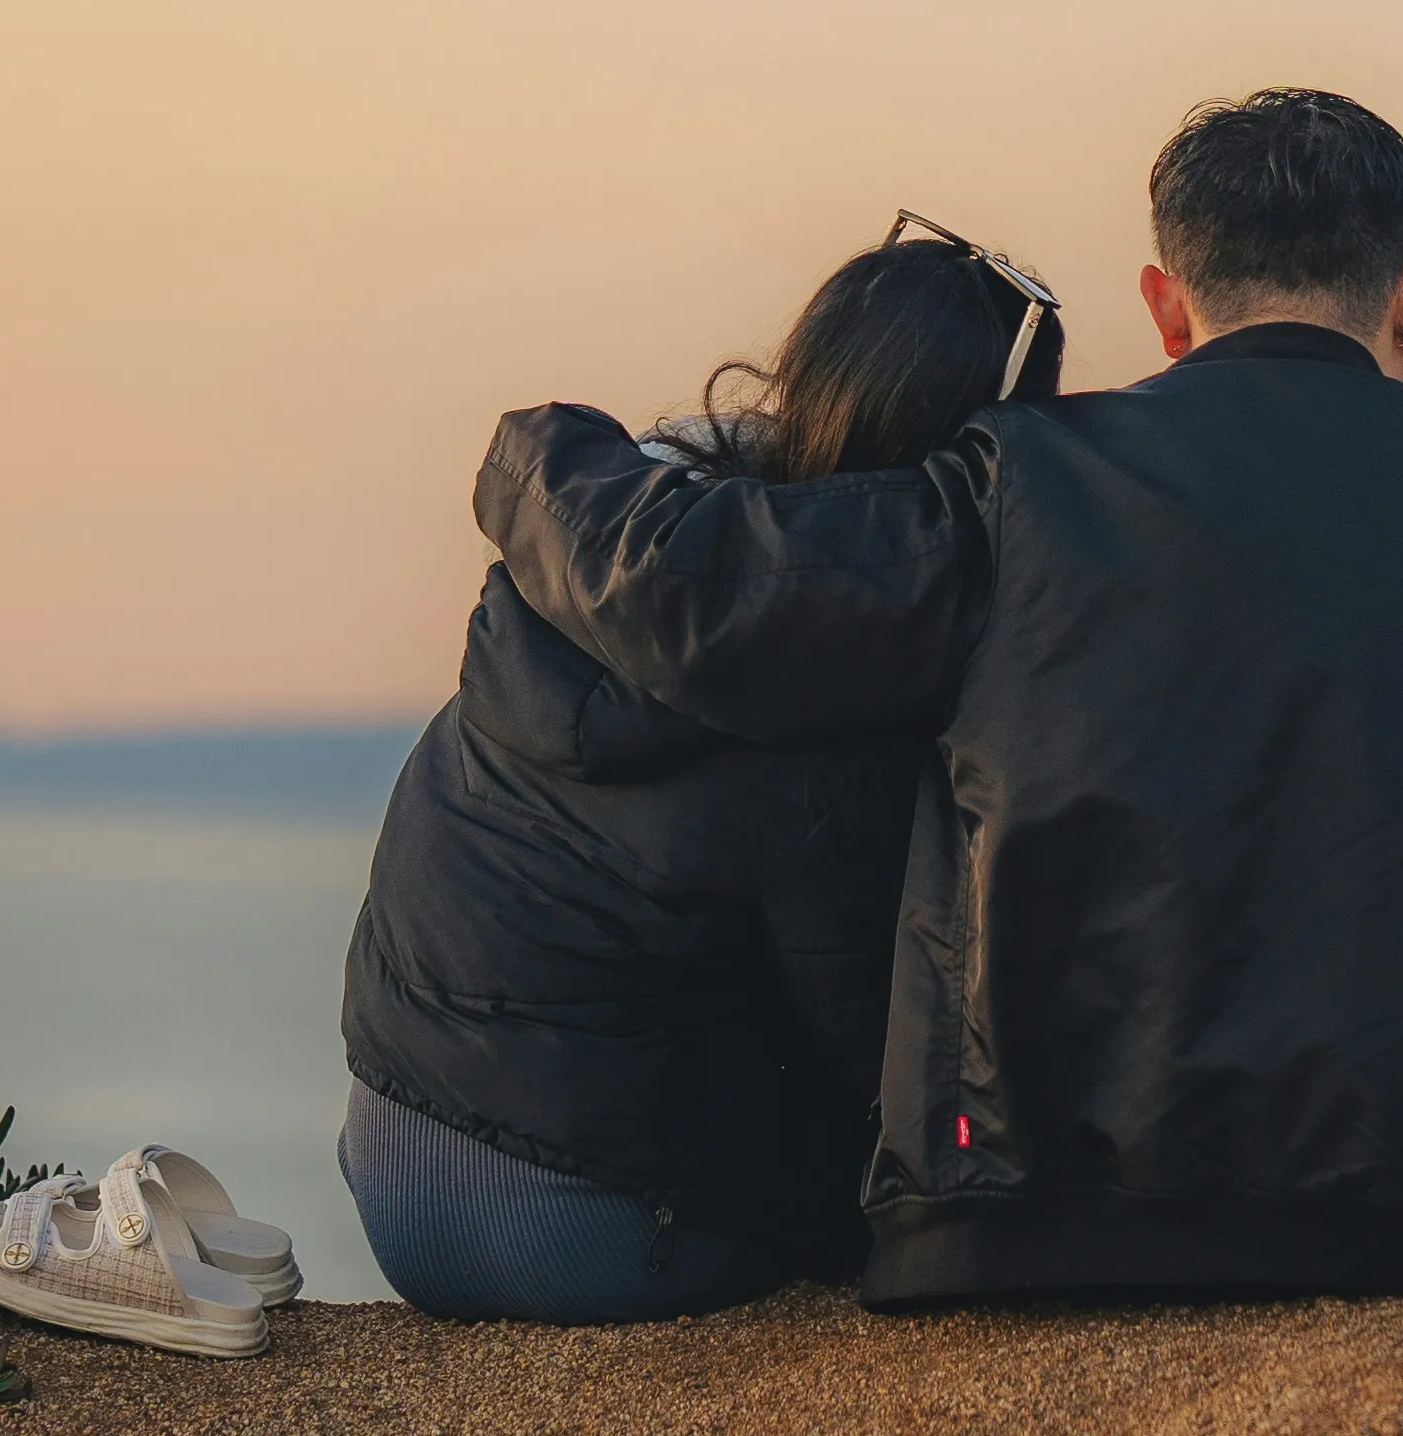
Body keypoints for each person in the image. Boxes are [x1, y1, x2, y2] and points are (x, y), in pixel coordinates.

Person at [474, 89, 1403, 1306]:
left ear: (1168, 307)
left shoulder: (1023, 491)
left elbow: (694, 597)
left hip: (1086, 1212)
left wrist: (544, 455)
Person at [331, 220, 1063, 1321]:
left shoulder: (626, 548)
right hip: (569, 1229)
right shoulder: (837, 692)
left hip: (387, 1156)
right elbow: (871, 1063)